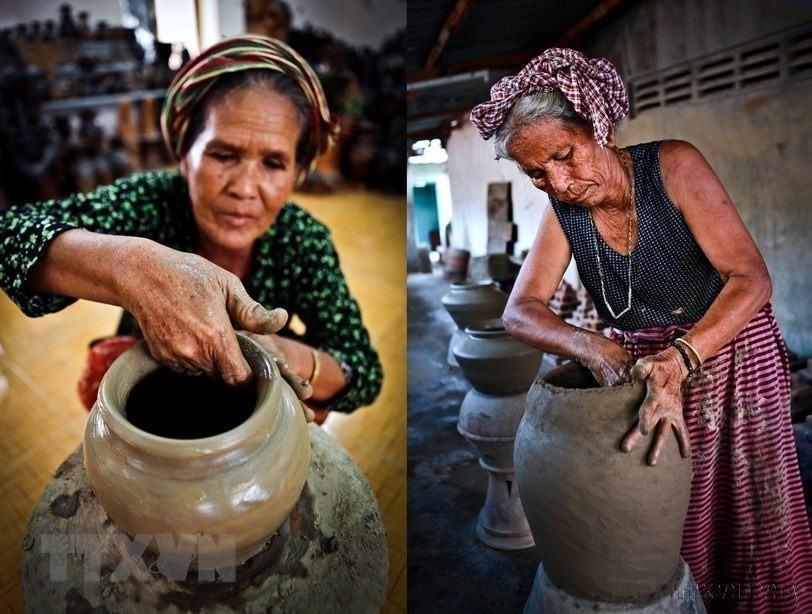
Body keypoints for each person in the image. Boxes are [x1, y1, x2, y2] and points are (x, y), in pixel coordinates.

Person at [471, 48, 812, 612]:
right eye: (535, 172)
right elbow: (520, 310)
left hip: (726, 353)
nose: (557, 181)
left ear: (598, 128)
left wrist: (679, 360)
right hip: (641, 372)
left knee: (746, 506)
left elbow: (751, 280)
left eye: (564, 155)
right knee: (660, 513)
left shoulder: (672, 166)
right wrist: (589, 342)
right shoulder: (564, 212)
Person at [0, 34, 382, 421]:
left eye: (273, 163)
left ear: (298, 173)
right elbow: (10, 233)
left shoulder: (304, 241)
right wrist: (130, 266)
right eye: (222, 154)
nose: (244, 188)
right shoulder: (152, 203)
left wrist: (291, 355)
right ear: (184, 155)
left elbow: (363, 371)